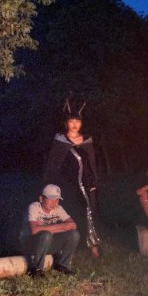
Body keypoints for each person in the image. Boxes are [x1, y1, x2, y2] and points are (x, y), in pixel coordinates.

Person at [44, 110, 101, 257]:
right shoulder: (60, 141)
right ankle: (66, 247)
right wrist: (52, 185)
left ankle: (92, 245)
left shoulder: (87, 141)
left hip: (84, 185)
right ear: (66, 123)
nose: (75, 124)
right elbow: (53, 164)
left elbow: (91, 164)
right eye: (71, 121)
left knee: (88, 212)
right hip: (66, 185)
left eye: (77, 121)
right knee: (68, 212)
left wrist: (93, 181)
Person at [23, 184, 81, 276]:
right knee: (46, 235)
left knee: (74, 234)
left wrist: (52, 229)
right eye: (51, 199)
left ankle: (61, 265)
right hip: (31, 244)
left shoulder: (58, 209)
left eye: (57, 199)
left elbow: (73, 225)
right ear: (41, 199)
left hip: (47, 243)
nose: (55, 203)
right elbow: (34, 230)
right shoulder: (34, 207)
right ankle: (36, 269)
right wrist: (61, 227)